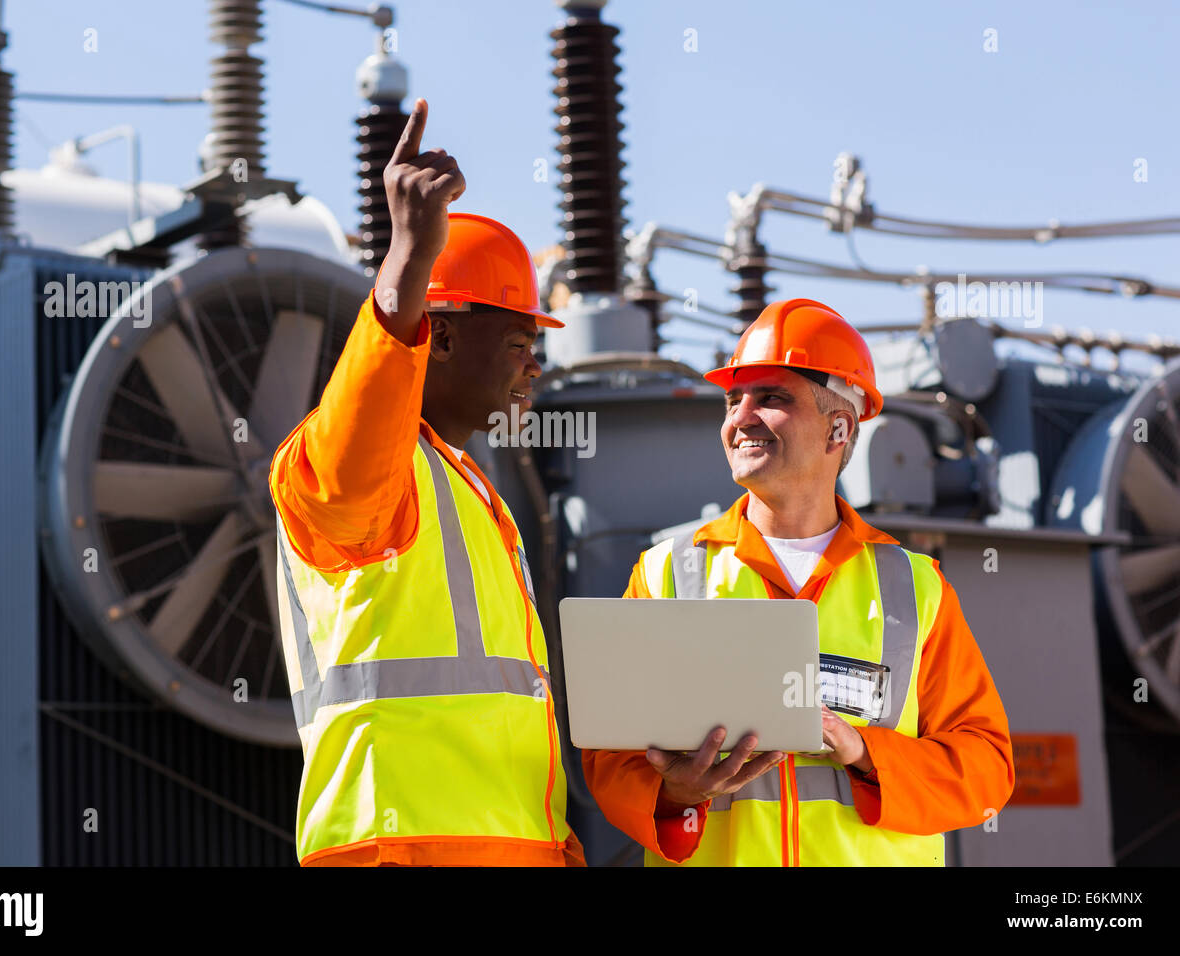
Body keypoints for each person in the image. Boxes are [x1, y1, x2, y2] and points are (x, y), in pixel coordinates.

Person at [581, 298, 1015, 866]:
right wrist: (677, 793)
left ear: (841, 426)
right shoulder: (668, 571)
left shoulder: (914, 588)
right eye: (734, 400)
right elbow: (610, 761)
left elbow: (985, 771)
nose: (740, 418)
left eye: (772, 398)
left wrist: (863, 752)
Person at [269, 98, 584, 866]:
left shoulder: (473, 495)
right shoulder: (354, 468)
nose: (532, 367)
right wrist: (407, 256)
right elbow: (353, 458)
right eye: (517, 342)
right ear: (436, 336)